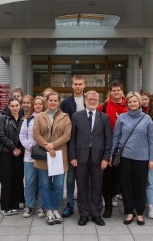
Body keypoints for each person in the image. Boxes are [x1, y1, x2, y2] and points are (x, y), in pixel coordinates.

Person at [69, 90, 112, 226]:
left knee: (97, 187)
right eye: (90, 99)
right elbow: (72, 138)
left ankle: (96, 214)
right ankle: (84, 214)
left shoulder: (104, 117)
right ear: (85, 100)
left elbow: (108, 139)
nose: (92, 101)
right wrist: (73, 156)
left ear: (98, 101)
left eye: (95, 99)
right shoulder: (76, 116)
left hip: (98, 159)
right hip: (80, 158)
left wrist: (106, 158)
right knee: (81, 187)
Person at [112, 92, 153, 226]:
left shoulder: (147, 119)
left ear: (140, 102)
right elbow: (116, 137)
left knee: (140, 186)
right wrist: (110, 154)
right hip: (125, 157)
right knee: (126, 186)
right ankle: (129, 211)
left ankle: (140, 212)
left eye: (135, 101)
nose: (132, 104)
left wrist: (151, 159)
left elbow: (152, 141)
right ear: (127, 103)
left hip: (142, 158)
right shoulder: (122, 118)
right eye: (130, 102)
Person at [33, 91, 71, 225]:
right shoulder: (39, 116)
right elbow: (36, 134)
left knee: (59, 185)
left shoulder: (65, 117)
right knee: (45, 184)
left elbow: (67, 136)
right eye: (50, 100)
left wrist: (53, 145)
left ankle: (56, 210)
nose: (53, 102)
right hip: (44, 156)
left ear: (59, 101)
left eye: (55, 100)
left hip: (59, 156)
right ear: (46, 101)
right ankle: (48, 210)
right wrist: (46, 146)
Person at [97, 81, 128, 218]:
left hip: (127, 147)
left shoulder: (130, 105)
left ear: (122, 91)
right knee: (107, 179)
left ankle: (128, 207)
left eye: (118, 90)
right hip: (108, 147)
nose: (116, 92)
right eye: (113, 90)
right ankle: (108, 206)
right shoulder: (102, 106)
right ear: (110, 92)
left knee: (124, 178)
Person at [60, 75, 86, 218]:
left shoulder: (89, 101)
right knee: (70, 177)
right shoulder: (65, 103)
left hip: (87, 145)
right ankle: (69, 205)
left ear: (84, 85)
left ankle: (84, 204)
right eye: (75, 84)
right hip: (71, 144)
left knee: (84, 177)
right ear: (71, 86)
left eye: (80, 84)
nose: (77, 86)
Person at [19, 96, 47, 218]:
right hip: (29, 156)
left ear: (43, 105)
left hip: (44, 155)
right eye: (36, 104)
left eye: (40, 104)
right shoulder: (28, 119)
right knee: (29, 181)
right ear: (33, 106)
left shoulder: (48, 118)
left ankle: (41, 206)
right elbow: (22, 136)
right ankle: (29, 206)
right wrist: (31, 148)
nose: (38, 106)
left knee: (42, 182)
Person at [0, 97, 25, 216]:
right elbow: (1, 135)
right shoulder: (3, 118)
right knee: (6, 180)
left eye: (16, 105)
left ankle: (14, 205)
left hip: (20, 153)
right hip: (6, 153)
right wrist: (13, 148)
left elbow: (27, 136)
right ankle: (5, 206)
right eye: (12, 106)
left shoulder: (24, 119)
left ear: (20, 106)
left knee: (17, 180)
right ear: (9, 106)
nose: (14, 108)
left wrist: (20, 149)